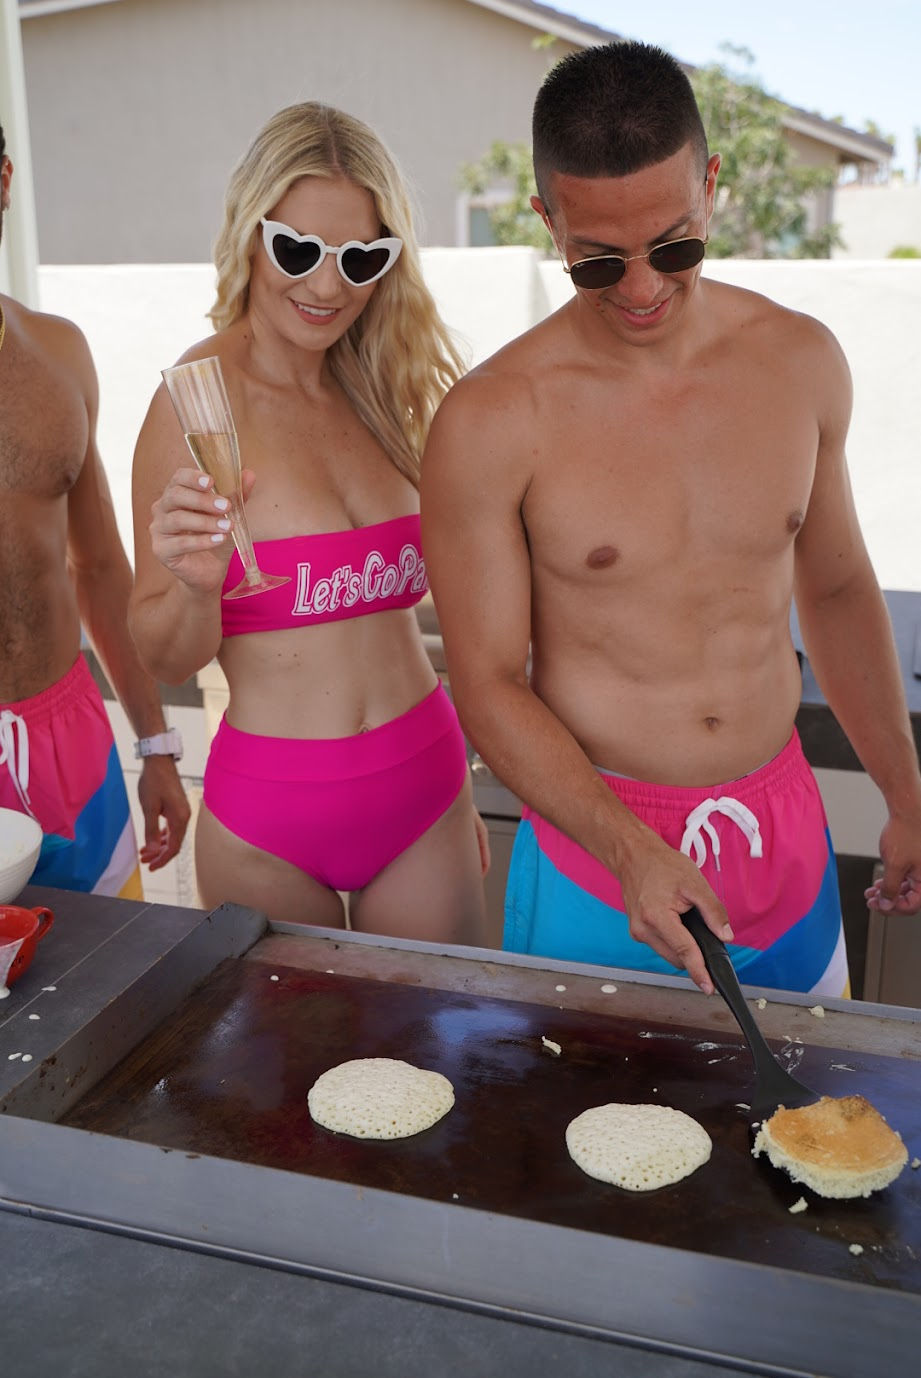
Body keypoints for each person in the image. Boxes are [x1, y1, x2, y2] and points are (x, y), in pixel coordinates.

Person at [420, 42, 921, 998]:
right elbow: (486, 683)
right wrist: (627, 850)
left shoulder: (798, 360)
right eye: (596, 262)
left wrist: (904, 793)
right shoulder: (491, 419)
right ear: (548, 222)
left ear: (711, 189)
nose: (643, 289)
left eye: (675, 246)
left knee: (812, 1134)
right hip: (596, 860)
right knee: (585, 1144)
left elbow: (837, 585)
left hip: (785, 836)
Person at [129, 103, 489, 940]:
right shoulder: (196, 403)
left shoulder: (390, 389)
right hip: (269, 821)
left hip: (425, 791)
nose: (328, 287)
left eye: (361, 258)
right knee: (283, 1073)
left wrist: (465, 783)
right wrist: (192, 586)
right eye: (298, 250)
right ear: (249, 232)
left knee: (438, 1064)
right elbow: (167, 653)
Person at [0, 122, 189, 897]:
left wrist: (158, 743)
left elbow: (100, 562)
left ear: (5, 179)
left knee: (106, 985)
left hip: (72, 741)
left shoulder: (57, 351)